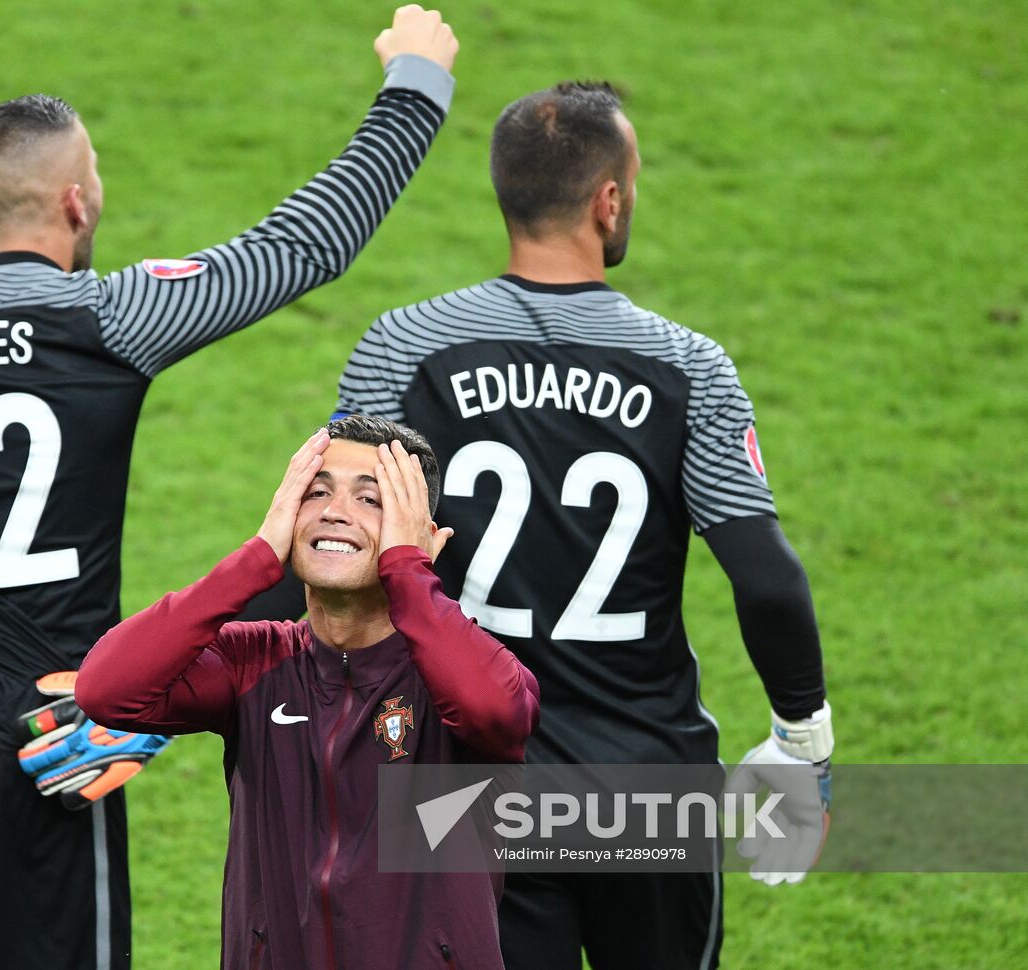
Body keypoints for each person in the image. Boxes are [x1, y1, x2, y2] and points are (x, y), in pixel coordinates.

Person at [0, 9, 460, 968]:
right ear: (78, 203)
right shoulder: (112, 318)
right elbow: (307, 246)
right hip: (57, 740)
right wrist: (416, 81)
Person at [334, 82, 833, 970]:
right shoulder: (690, 368)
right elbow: (765, 577)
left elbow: (331, 544)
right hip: (645, 783)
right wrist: (803, 741)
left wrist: (154, 687)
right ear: (609, 199)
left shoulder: (404, 347)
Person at [77, 417, 540, 970]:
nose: (334, 511)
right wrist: (256, 558)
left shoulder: (465, 672)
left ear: (426, 539)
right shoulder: (254, 661)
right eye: (315, 492)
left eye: (372, 499)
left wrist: (408, 574)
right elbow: (108, 690)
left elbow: (492, 709)